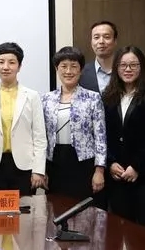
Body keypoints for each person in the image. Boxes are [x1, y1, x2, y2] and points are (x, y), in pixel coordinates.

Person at [101, 46, 145, 228]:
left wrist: (137, 166)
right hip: (117, 175)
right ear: (116, 68)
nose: (128, 69)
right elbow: (102, 134)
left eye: (133, 65)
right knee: (121, 228)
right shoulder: (107, 97)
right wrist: (110, 163)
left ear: (141, 67)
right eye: (123, 65)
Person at [42, 46, 107, 208]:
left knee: (83, 211)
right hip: (54, 163)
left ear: (81, 70)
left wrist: (99, 171)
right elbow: (41, 137)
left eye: (73, 66)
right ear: (57, 69)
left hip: (83, 164)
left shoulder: (92, 98)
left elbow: (100, 137)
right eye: (63, 66)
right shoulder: (46, 99)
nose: (68, 71)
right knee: (56, 208)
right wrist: (42, 170)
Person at [0, 42, 47, 196]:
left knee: (24, 208)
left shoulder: (32, 96)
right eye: (1, 62)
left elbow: (39, 136)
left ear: (19, 66)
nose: (6, 67)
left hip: (24, 166)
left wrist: (38, 170)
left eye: (11, 62)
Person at [79, 21, 119, 93]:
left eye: (107, 37)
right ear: (91, 42)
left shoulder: (125, 70)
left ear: (115, 41)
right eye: (96, 37)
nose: (101, 41)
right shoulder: (81, 73)